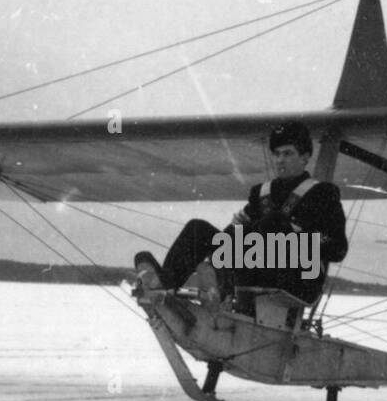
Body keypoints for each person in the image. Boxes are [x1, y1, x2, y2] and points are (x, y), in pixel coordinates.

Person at [134, 121, 347, 309]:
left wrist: (298, 235)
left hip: (298, 278)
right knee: (198, 228)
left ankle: (218, 282)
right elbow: (238, 233)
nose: (280, 160)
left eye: (288, 153)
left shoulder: (322, 193)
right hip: (256, 268)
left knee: (272, 223)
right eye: (277, 153)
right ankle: (164, 285)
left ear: (305, 157)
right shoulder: (261, 193)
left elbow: (337, 248)